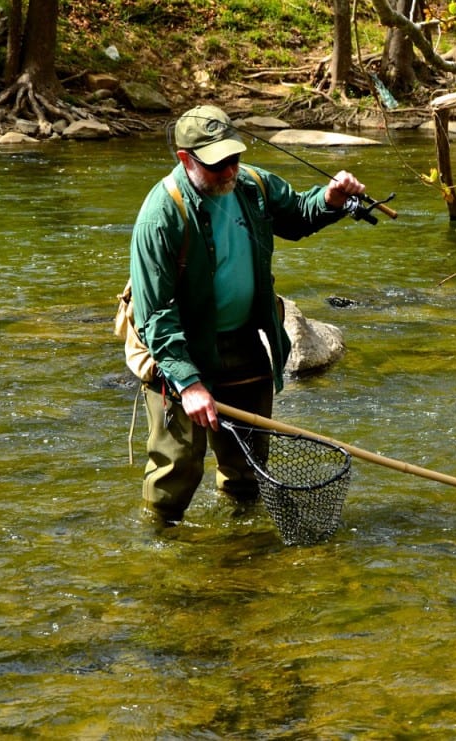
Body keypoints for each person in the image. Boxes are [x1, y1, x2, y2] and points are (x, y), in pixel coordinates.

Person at [128, 104, 365, 524]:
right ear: (186, 159)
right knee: (176, 468)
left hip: (245, 344)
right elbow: (156, 315)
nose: (231, 170)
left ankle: (243, 544)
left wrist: (329, 199)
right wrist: (189, 383)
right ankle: (159, 545)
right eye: (219, 163)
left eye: (234, 157)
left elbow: (297, 215)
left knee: (248, 468)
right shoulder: (160, 216)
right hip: (181, 349)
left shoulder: (254, 184)